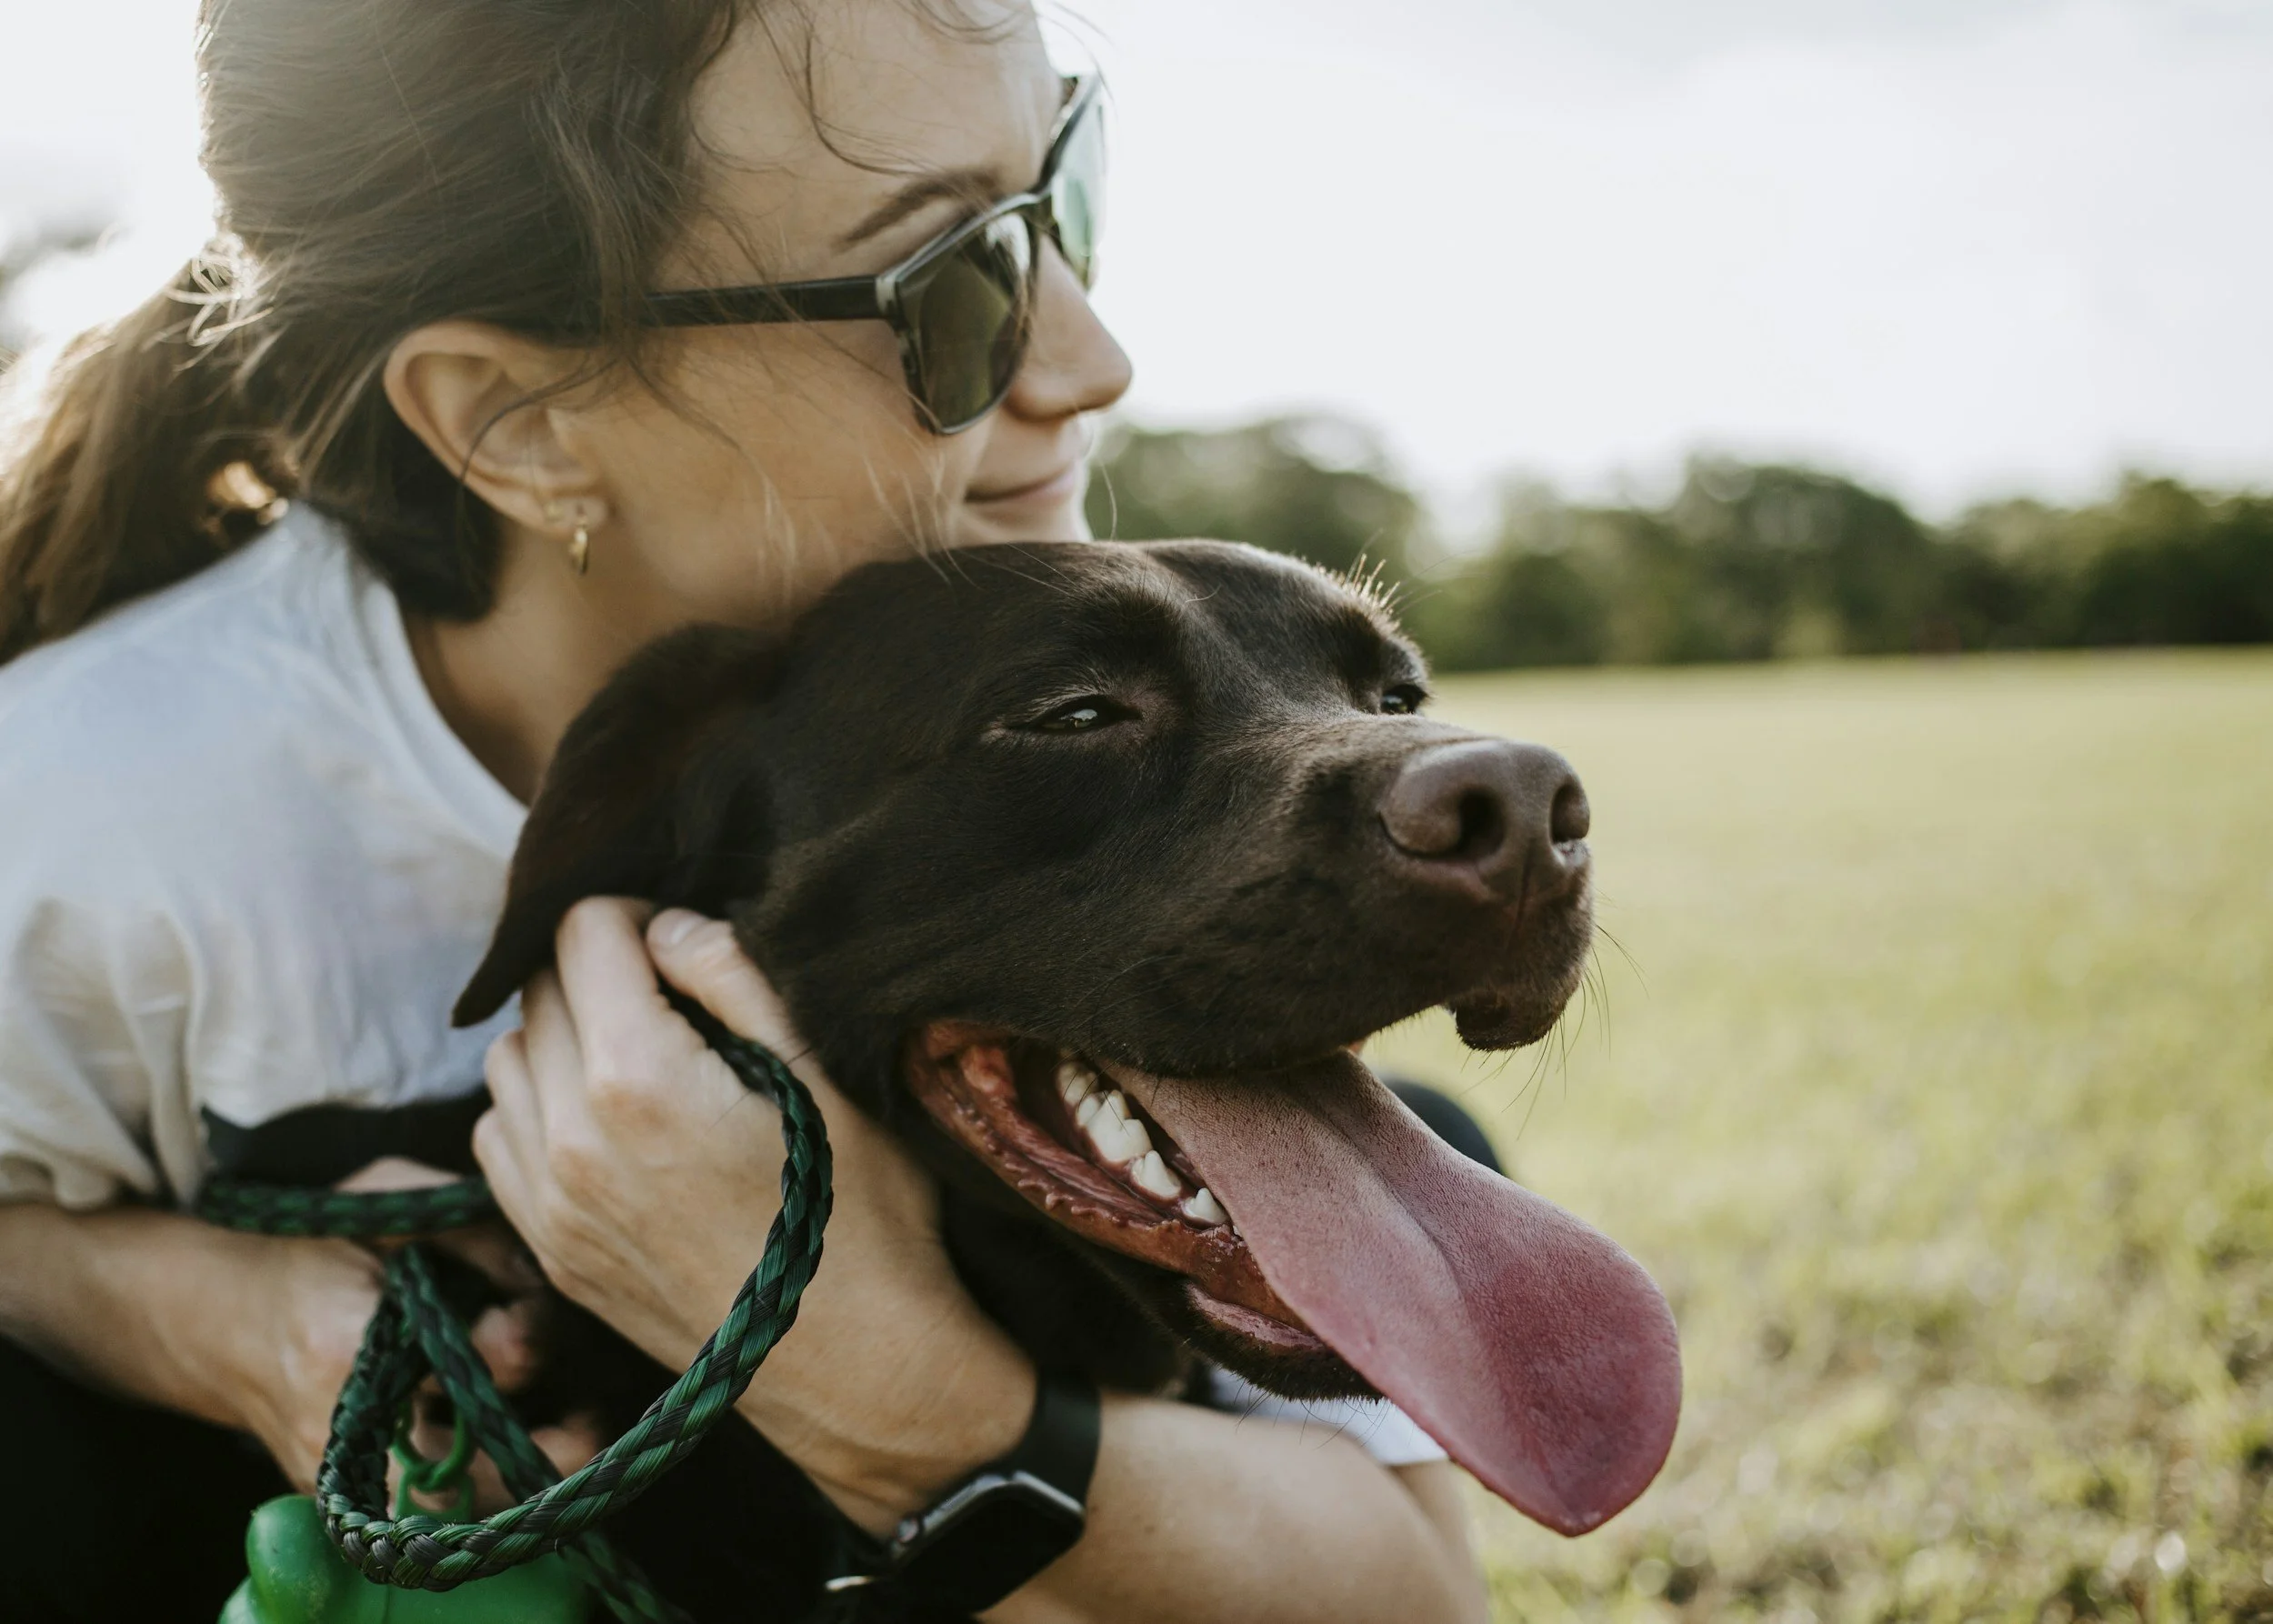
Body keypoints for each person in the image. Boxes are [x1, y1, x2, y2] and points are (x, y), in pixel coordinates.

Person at [0, 2, 1491, 1620]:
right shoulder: (89, 813)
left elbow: (1411, 1599)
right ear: (520, 420)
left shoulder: (1044, 599)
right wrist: (230, 1318)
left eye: (1066, 186)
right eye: (953, 284)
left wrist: (870, 1362)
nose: (1091, 358)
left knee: (1416, 1136)